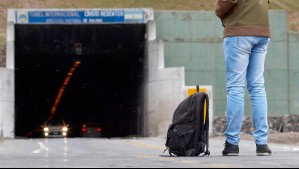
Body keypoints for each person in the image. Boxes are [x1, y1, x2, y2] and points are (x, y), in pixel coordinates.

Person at [214, 0, 272, 156]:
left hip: (239, 32)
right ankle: (262, 144)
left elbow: (226, 2)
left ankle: (232, 143)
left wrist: (218, 9)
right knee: (257, 86)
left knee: (236, 87)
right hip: (262, 31)